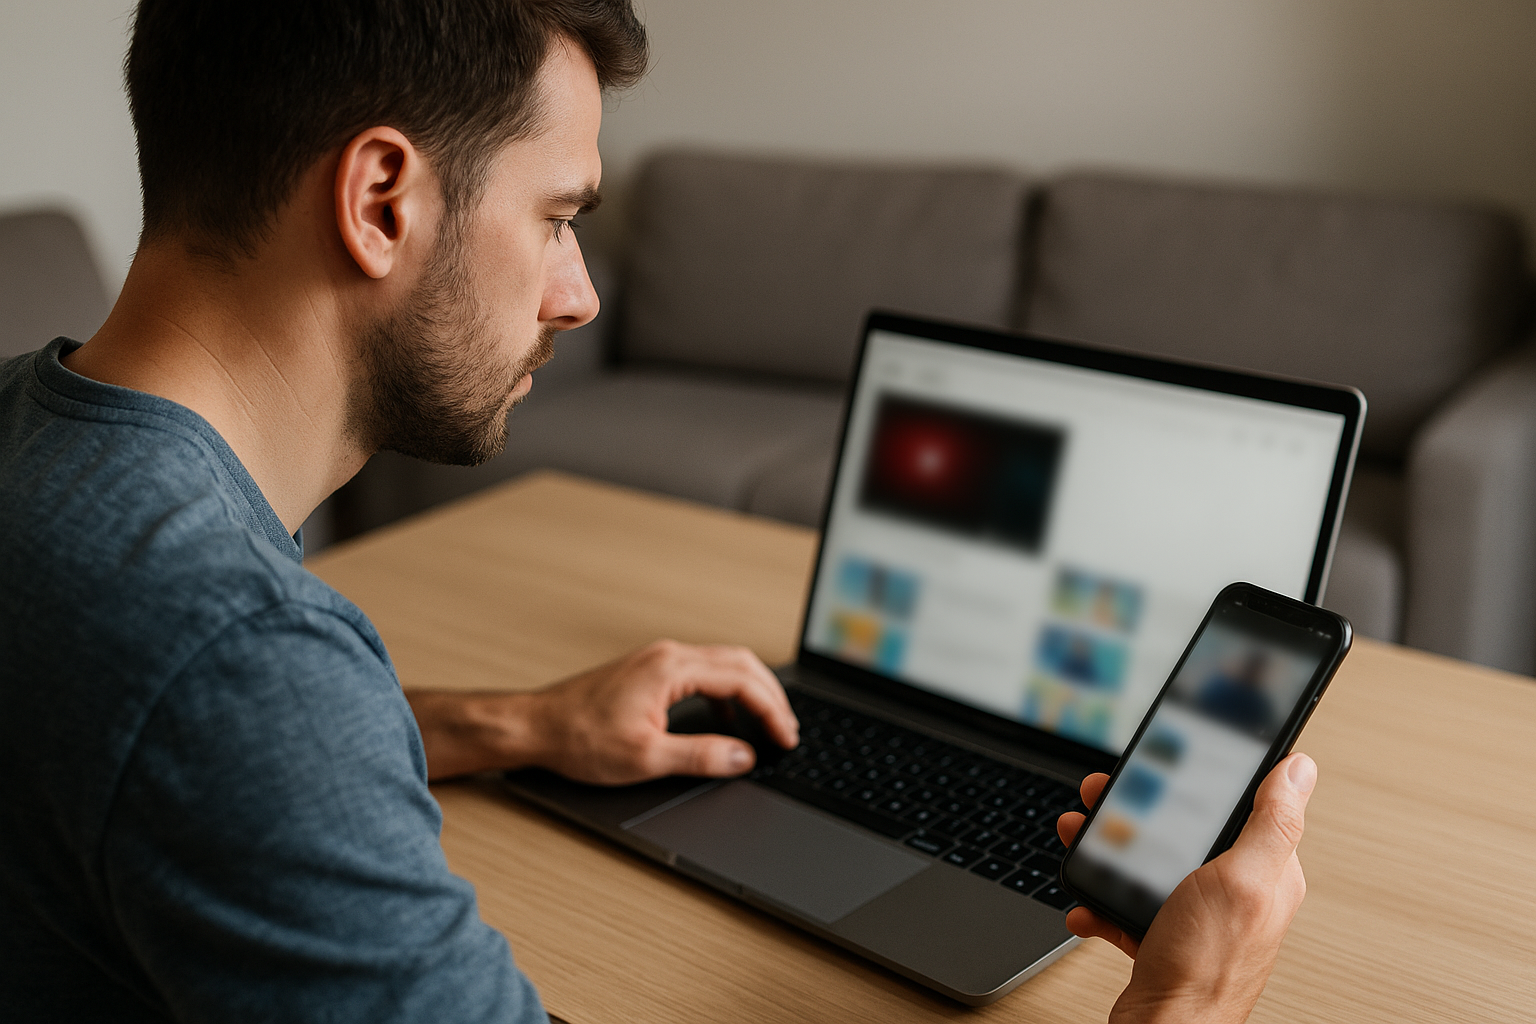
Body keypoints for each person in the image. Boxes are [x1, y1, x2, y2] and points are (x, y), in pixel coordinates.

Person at [0, 2, 1315, 1021]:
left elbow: (142, 737)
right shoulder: (242, 662)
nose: (578, 294)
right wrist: (1189, 996)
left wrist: (520, 723)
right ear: (382, 199)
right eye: (559, 214)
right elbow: (227, 706)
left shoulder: (31, 434)